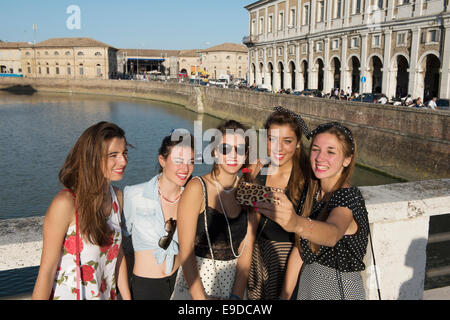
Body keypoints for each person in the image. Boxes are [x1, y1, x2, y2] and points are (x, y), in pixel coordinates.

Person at [255, 122, 369, 300]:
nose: (320, 158)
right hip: (307, 286)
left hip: (337, 290)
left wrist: (296, 223)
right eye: (316, 149)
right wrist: (284, 296)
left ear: (347, 159)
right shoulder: (313, 195)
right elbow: (300, 251)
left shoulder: (347, 197)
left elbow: (332, 233)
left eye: (331, 152)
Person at [32, 121, 131, 300]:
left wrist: (127, 297)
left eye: (124, 153)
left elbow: (118, 254)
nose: (123, 161)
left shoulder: (118, 197)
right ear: (93, 158)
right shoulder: (67, 203)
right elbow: (47, 271)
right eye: (113, 155)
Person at [171, 120, 258, 300]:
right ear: (214, 151)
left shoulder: (248, 191)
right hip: (196, 285)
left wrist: (236, 296)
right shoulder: (197, 188)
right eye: (225, 148)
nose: (233, 155)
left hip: (233, 286)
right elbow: (185, 250)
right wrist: (200, 299)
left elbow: (246, 250)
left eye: (240, 149)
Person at [246, 106, 310, 300]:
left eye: (287, 141)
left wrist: (286, 293)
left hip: (289, 264)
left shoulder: (307, 180)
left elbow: (303, 244)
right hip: (256, 260)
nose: (278, 148)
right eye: (272, 139)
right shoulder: (257, 170)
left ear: (298, 143)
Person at [122, 131, 195, 300]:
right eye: (178, 161)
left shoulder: (192, 199)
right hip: (145, 286)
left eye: (190, 162)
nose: (185, 168)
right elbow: (120, 246)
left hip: (180, 283)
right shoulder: (134, 195)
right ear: (162, 160)